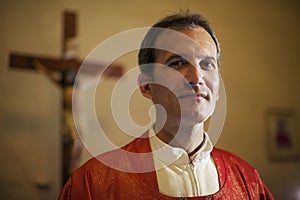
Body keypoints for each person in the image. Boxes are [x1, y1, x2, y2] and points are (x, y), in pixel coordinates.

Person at [59, 11, 274, 199]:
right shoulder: (93, 183)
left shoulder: (248, 180)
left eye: (207, 64)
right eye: (178, 63)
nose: (196, 77)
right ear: (146, 86)